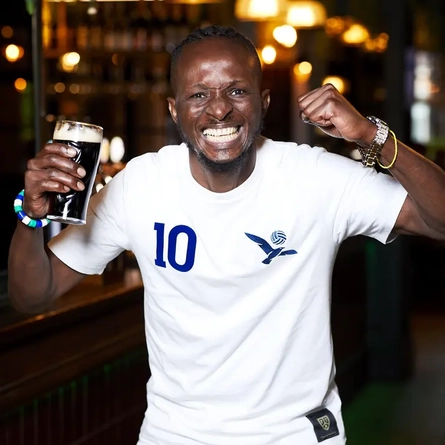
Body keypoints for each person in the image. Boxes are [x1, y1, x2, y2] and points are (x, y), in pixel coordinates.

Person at [8, 25, 445, 445]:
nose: (219, 110)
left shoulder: (315, 178)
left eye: (237, 91)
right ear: (175, 111)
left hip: (293, 437)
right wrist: (30, 216)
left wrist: (372, 136)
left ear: (264, 101)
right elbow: (34, 296)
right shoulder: (141, 186)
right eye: (199, 95)